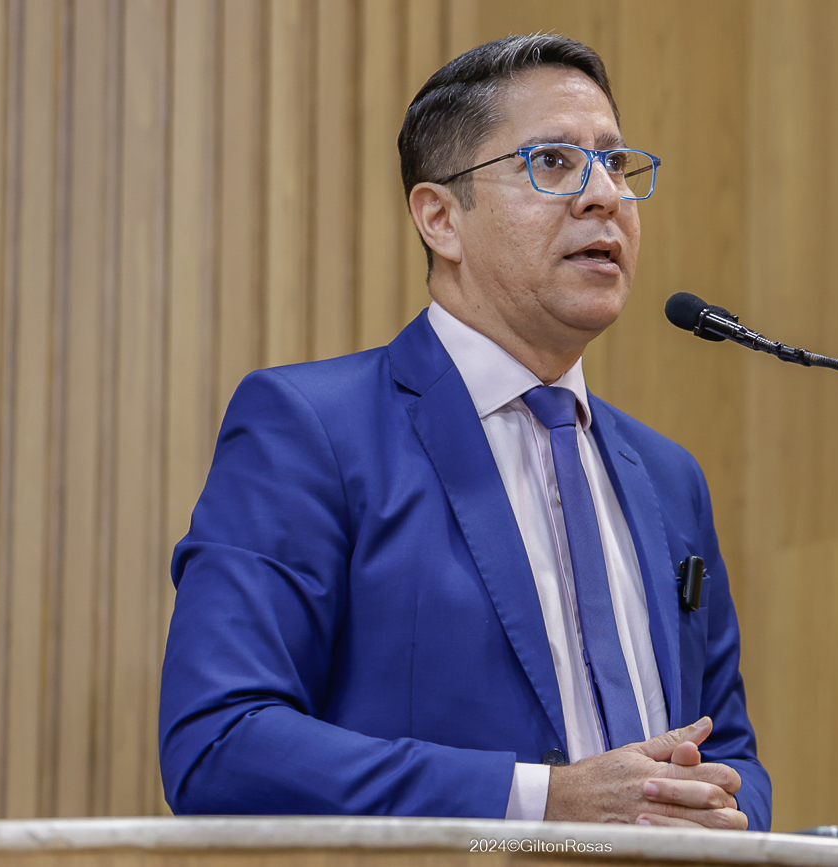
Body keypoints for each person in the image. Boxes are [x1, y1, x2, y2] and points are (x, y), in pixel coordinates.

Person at [159, 34, 772, 831]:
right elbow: (219, 742)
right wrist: (543, 804)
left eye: (616, 163)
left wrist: (721, 812)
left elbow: (735, 753)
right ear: (441, 218)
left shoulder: (668, 476)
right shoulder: (311, 429)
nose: (604, 195)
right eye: (552, 161)